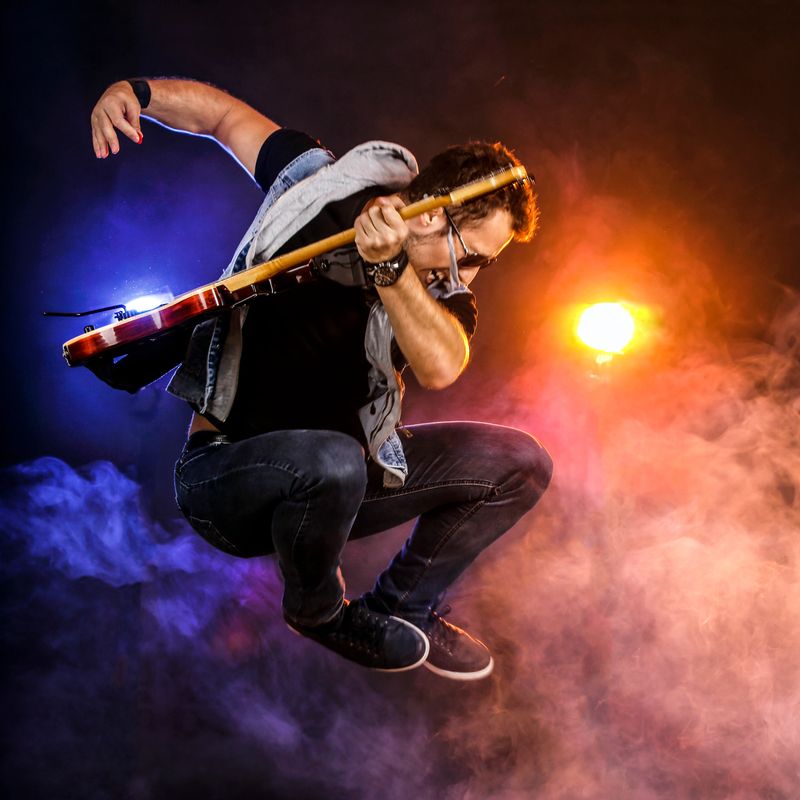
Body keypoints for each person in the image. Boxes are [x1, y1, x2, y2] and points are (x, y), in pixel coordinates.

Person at [90, 78, 553, 680]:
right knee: (332, 458)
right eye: (472, 257)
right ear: (433, 215)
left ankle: (404, 605)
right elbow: (224, 117)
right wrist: (136, 93)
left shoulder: (441, 295)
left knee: (519, 462)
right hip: (226, 480)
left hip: (338, 487)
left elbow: (442, 365)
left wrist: (391, 270)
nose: (469, 276)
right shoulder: (320, 188)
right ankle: (318, 610)